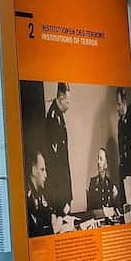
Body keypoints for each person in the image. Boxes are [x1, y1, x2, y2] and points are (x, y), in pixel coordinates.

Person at [44, 82, 72, 215]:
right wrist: (63, 200)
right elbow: (55, 164)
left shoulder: (59, 116)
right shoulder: (53, 119)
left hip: (63, 187)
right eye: (68, 101)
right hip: (58, 191)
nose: (69, 105)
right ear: (61, 99)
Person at [116, 87, 131, 219]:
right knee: (127, 213)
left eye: (119, 104)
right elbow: (122, 152)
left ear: (125, 103)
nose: (117, 108)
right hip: (126, 177)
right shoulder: (120, 123)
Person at [26, 150, 57, 237]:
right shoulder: (27, 198)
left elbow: (47, 212)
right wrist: (54, 229)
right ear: (33, 170)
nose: (46, 175)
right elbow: (36, 232)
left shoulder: (39, 193)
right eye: (42, 170)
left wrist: (52, 216)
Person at [86, 147, 120, 218]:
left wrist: (115, 197)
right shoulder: (93, 182)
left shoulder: (111, 183)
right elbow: (90, 210)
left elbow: (115, 209)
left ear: (106, 164)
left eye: (101, 159)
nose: (98, 162)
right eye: (98, 158)